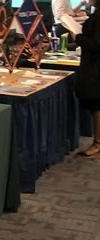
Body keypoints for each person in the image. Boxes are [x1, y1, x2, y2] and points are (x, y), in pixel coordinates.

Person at [75, 0, 100, 157]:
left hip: (96, 67)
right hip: (94, 65)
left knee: (97, 104)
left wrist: (77, 37)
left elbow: (96, 44)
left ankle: (98, 143)